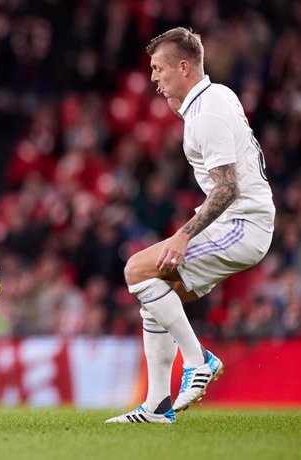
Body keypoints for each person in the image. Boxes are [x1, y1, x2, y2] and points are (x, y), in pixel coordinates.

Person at [106, 28, 275, 423]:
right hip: (241, 220)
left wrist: (183, 235)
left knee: (136, 269)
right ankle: (157, 406)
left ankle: (199, 361)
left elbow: (229, 188)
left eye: (158, 68)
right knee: (155, 294)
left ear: (184, 67)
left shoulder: (206, 114)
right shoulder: (215, 98)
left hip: (244, 224)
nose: (153, 78)